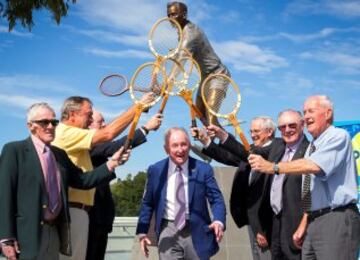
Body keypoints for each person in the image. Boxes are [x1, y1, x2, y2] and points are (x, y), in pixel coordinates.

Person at [0, 102, 130, 260]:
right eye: (44, 122)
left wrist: (111, 164)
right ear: (30, 125)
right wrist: (6, 237)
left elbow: (82, 180)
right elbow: (5, 195)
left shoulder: (59, 154)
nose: (50, 126)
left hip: (55, 232)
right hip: (27, 236)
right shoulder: (14, 151)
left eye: (54, 122)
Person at [249, 95, 360, 260]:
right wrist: (304, 225)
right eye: (304, 112)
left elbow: (314, 166)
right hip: (313, 222)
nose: (306, 116)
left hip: (335, 217)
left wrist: (273, 167)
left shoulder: (338, 136)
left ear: (328, 113)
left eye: (311, 111)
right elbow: (309, 188)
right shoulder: (313, 147)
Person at [52, 95, 151, 260]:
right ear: (72, 114)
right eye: (88, 114)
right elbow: (109, 134)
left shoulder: (73, 137)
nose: (91, 119)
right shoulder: (65, 133)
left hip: (81, 213)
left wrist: (113, 163)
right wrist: (138, 107)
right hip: (72, 211)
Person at [191, 116, 276, 260]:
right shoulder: (252, 152)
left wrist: (263, 228)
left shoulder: (276, 151)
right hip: (253, 222)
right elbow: (227, 156)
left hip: (268, 225)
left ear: (270, 132)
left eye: (256, 131)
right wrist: (205, 140)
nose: (253, 135)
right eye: (251, 132)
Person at [136, 127, 226, 260]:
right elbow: (147, 203)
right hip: (168, 229)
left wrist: (218, 221)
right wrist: (142, 231)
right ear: (166, 149)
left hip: (197, 229)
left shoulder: (203, 169)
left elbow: (216, 199)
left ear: (189, 145)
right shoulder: (155, 170)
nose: (180, 150)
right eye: (175, 145)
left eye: (184, 144)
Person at [86, 111, 163, 260]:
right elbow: (116, 146)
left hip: (100, 222)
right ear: (88, 126)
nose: (105, 125)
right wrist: (145, 129)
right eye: (100, 122)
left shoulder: (95, 148)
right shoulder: (88, 145)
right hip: (91, 223)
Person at [167, 1, 230, 126]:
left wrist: (167, 82)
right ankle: (212, 144)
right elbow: (181, 54)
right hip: (205, 77)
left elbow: (181, 59)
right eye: (169, 15)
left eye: (174, 15)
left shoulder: (190, 33)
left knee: (211, 117)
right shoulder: (181, 30)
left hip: (218, 74)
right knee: (200, 114)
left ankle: (228, 145)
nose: (170, 18)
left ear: (184, 15)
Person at [268, 109, 309, 260]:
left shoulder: (311, 152)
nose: (287, 130)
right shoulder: (278, 149)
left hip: (298, 230)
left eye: (292, 125)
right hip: (276, 226)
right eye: (282, 127)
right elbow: (247, 152)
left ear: (302, 125)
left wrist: (304, 226)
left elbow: (313, 193)